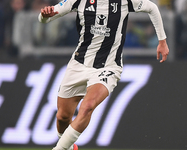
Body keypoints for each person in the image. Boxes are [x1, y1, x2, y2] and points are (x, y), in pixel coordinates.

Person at [38, 0, 169, 150]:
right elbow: (45, 18)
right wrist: (43, 15)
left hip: (108, 67)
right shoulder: (79, 1)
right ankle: (68, 146)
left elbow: (152, 8)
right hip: (79, 64)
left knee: (87, 107)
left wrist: (162, 41)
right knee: (62, 117)